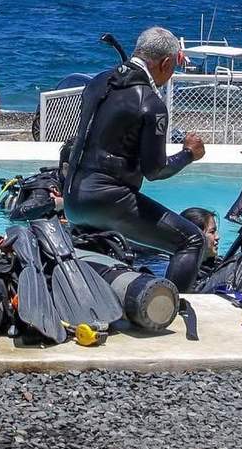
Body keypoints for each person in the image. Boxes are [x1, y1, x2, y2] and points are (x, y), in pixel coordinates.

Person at [64, 26, 207, 292]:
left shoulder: (98, 82)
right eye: (174, 65)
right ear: (166, 63)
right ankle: (168, 307)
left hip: (73, 198)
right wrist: (189, 154)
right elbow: (155, 170)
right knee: (192, 241)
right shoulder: (151, 103)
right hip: (108, 202)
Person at [180, 207, 221, 282]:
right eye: (212, 232)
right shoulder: (186, 278)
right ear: (196, 236)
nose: (218, 237)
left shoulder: (218, 262)